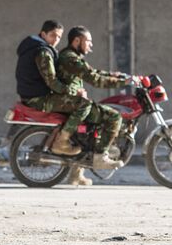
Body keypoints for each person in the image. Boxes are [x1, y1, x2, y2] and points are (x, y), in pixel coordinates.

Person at [15, 20, 94, 185]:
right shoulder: (43, 51)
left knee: (79, 117)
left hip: (31, 95)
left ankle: (76, 171)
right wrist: (74, 92)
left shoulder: (31, 47)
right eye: (52, 36)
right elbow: (51, 81)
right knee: (84, 105)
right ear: (43, 34)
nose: (55, 40)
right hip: (39, 99)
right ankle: (62, 143)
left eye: (58, 37)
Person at [57, 26, 139, 170]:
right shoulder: (70, 58)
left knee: (89, 132)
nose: (91, 45)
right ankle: (100, 157)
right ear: (76, 41)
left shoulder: (72, 56)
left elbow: (93, 72)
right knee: (114, 117)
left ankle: (76, 173)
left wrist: (116, 76)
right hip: (68, 101)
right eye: (88, 41)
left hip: (70, 100)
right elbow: (95, 79)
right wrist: (123, 82)